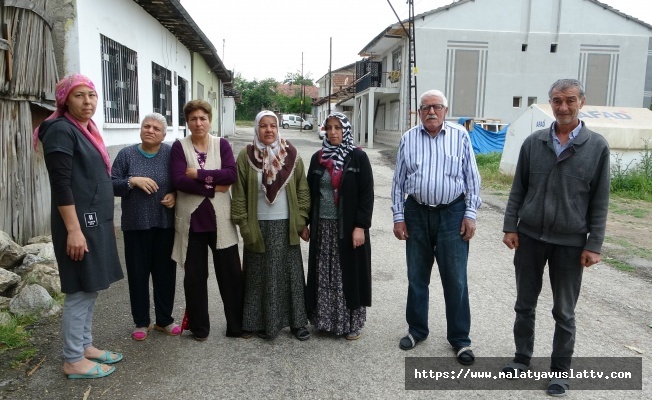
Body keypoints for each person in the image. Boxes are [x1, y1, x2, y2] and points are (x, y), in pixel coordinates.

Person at [501, 79, 610, 397]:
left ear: (581, 102)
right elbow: (518, 188)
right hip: (531, 236)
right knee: (524, 304)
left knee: (564, 310)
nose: (563, 107)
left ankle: (560, 371)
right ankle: (521, 359)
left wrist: (594, 244)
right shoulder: (534, 143)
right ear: (550, 103)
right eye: (557, 100)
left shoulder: (597, 146)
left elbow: (601, 200)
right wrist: (511, 225)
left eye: (570, 100)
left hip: (570, 241)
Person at [34, 74, 123, 379]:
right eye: (79, 95)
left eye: (92, 95)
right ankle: (72, 359)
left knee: (92, 285)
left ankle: (84, 346)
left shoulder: (86, 130)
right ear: (64, 100)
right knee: (79, 290)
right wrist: (74, 230)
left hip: (94, 222)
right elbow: (61, 184)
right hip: (78, 224)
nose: (88, 102)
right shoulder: (60, 130)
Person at [391, 89, 482, 365]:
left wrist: (470, 214)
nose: (431, 111)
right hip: (417, 213)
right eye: (426, 107)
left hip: (452, 214)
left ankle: (460, 340)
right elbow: (398, 181)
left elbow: (472, 178)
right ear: (419, 112)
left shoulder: (460, 136)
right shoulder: (408, 138)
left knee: (455, 279)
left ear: (445, 109)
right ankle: (417, 330)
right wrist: (398, 216)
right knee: (417, 276)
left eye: (437, 107)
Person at [231, 110, 311, 341]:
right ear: (257, 129)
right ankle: (255, 322)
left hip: (287, 225)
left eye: (272, 126)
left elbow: (302, 189)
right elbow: (238, 195)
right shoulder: (246, 156)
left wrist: (302, 218)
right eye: (263, 126)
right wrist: (244, 225)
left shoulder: (292, 155)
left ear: (278, 128)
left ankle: (297, 322)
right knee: (257, 276)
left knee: (291, 275)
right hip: (258, 227)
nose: (268, 130)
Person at [170, 99, 244, 341]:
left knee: (231, 275)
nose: (198, 122)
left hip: (220, 221)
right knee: (194, 277)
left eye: (202, 118)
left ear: (209, 120)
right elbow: (179, 180)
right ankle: (200, 329)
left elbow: (231, 174)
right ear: (187, 122)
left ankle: (236, 325)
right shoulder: (179, 147)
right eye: (193, 118)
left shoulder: (221, 144)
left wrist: (199, 175)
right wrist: (213, 187)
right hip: (191, 223)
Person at [304, 112, 374, 340]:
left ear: (346, 130)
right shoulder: (318, 158)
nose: (333, 132)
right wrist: (304, 223)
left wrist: (360, 227)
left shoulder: (357, 158)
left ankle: (350, 323)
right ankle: (324, 321)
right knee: (323, 275)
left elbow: (366, 195)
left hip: (348, 229)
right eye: (329, 128)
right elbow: (308, 193)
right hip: (322, 229)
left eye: (338, 127)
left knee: (347, 275)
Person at [112, 113, 179, 341]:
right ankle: (141, 322)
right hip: (135, 225)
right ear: (141, 130)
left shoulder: (171, 154)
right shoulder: (126, 154)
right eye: (146, 126)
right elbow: (110, 184)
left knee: (165, 274)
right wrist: (132, 181)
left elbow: (182, 182)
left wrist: (175, 195)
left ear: (164, 134)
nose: (150, 130)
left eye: (156, 128)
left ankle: (164, 321)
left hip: (164, 224)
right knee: (138, 276)